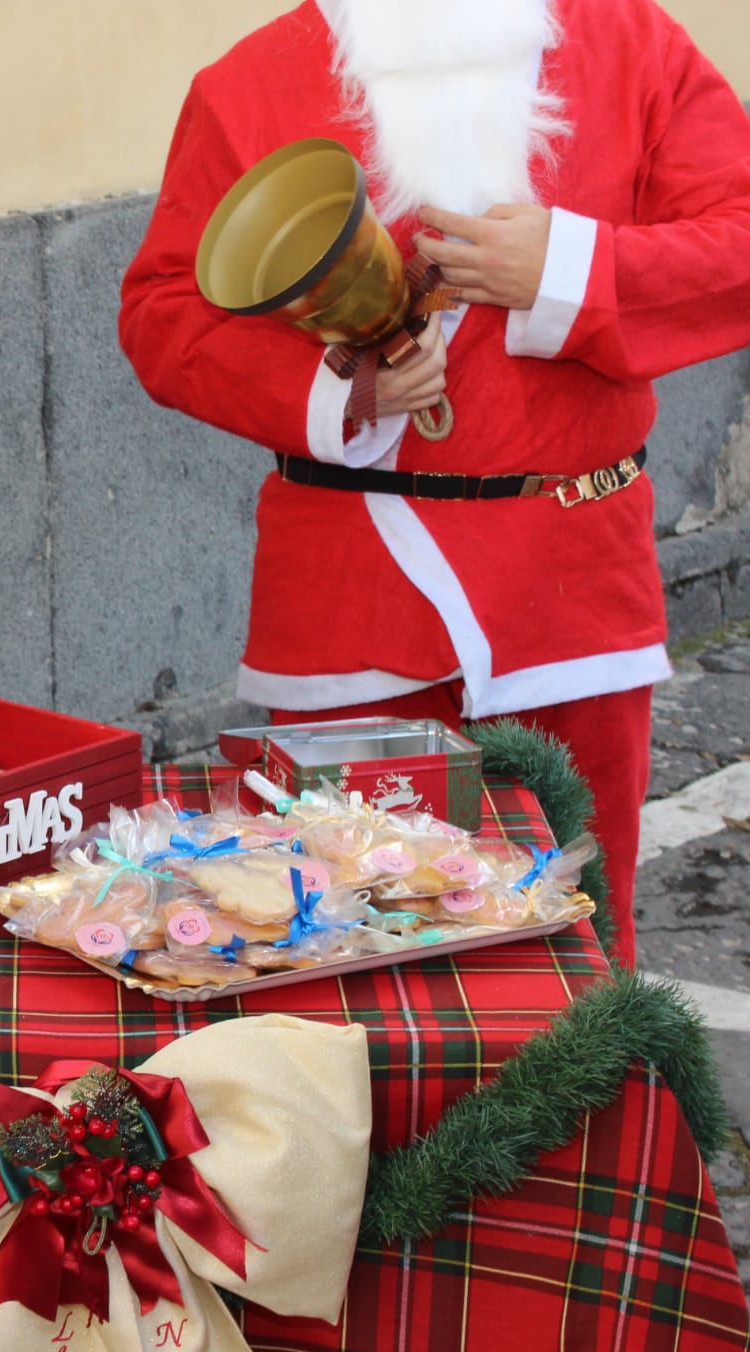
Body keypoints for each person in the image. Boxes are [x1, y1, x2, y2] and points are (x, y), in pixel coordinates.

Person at [117, 0, 750, 966]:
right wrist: (339, 390)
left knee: (577, 954)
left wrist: (570, 268)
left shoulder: (634, 47)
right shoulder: (249, 84)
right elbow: (165, 311)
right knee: (342, 948)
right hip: (351, 592)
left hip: (573, 587)